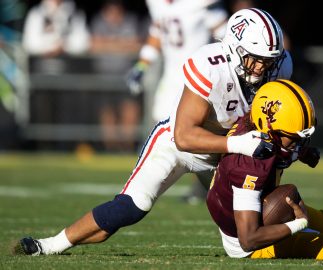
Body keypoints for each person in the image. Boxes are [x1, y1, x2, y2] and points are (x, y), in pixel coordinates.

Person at [15, 8, 294, 256]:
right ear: (234, 49)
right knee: (130, 209)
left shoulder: (280, 67)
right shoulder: (211, 66)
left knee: (259, 214)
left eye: (268, 60)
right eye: (254, 59)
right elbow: (185, 136)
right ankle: (49, 244)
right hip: (176, 144)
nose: (262, 67)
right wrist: (240, 145)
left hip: (225, 153)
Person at [207, 80, 323, 259]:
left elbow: (282, 144)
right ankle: (312, 233)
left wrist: (301, 152)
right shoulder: (250, 165)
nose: (298, 144)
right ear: (268, 128)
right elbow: (248, 239)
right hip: (249, 242)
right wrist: (299, 224)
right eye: (293, 137)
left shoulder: (258, 125)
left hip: (263, 202)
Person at [127, 0, 228, 201]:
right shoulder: (158, 4)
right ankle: (147, 182)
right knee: (162, 129)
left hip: (198, 77)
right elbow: (157, 34)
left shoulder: (200, 6)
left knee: (201, 131)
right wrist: (141, 65)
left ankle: (213, 186)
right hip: (171, 78)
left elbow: (227, 34)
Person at [90, 0, 142, 151]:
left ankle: (126, 148)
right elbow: (93, 45)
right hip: (104, 76)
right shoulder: (98, 22)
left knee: (129, 111)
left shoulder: (130, 20)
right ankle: (111, 149)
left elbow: (137, 45)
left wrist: (108, 44)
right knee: (107, 114)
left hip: (127, 76)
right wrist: (121, 44)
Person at [22, 0, 90, 57]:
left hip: (70, 64)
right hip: (41, 65)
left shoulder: (75, 12)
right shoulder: (36, 13)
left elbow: (83, 42)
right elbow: (30, 43)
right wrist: (51, 47)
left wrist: (63, 46)